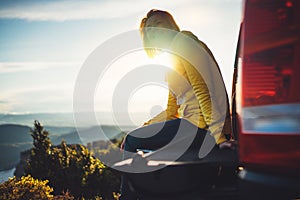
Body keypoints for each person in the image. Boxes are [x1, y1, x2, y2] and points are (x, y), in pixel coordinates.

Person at [119, 9, 235, 199]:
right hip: (194, 125)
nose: (155, 33)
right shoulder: (172, 58)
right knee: (134, 138)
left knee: (133, 141)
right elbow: (171, 111)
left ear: (171, 25)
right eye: (149, 31)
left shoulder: (183, 42)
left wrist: (220, 138)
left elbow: (203, 90)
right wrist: (144, 127)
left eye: (159, 25)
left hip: (202, 126)